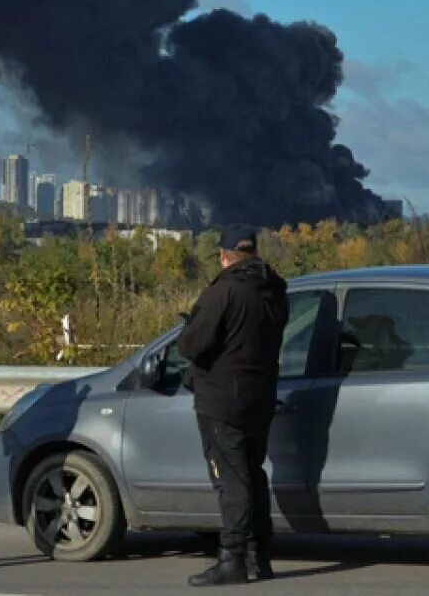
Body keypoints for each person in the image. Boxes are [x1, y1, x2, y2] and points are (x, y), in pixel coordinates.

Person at [177, 225, 289, 587]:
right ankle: (260, 558)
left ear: (224, 256)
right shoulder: (275, 291)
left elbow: (191, 345)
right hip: (261, 397)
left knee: (232, 481)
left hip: (222, 400)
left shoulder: (223, 292)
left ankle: (233, 559)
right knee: (252, 475)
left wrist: (190, 329)